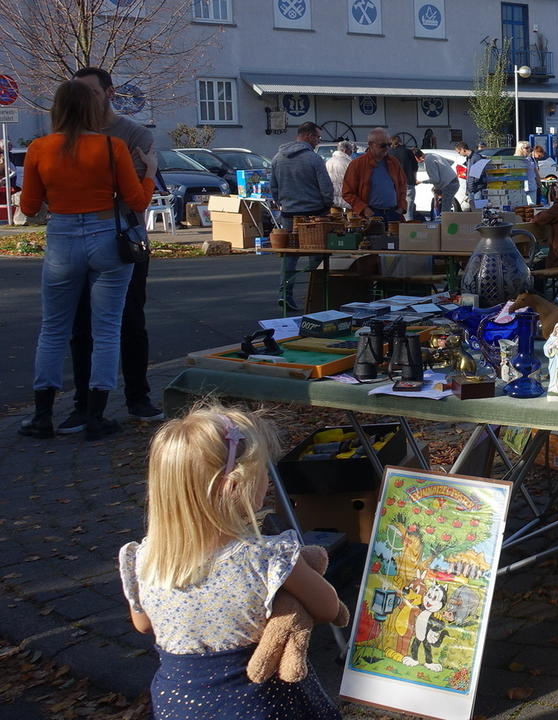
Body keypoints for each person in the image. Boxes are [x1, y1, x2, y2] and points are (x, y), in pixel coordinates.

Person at [117, 404, 342, 719]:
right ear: (235, 486)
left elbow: (143, 623)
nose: (267, 478)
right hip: (260, 705)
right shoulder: (266, 558)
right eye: (264, 470)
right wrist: (288, 596)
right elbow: (330, 608)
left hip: (179, 704)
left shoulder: (143, 557)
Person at [18, 81, 157, 440]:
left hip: (63, 235)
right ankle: (96, 415)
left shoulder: (39, 148)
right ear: (92, 109)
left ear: (57, 110)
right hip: (106, 237)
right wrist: (151, 172)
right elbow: (137, 202)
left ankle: (42, 415)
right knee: (107, 328)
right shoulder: (112, 146)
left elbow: (29, 207)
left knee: (54, 329)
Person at [59, 67, 163, 435]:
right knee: (80, 324)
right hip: (77, 239)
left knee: (131, 319)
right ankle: (83, 405)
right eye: (77, 91)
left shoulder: (133, 133)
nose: (84, 99)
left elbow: (131, 191)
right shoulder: (64, 135)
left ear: (109, 92)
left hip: (125, 239)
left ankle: (138, 397)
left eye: (90, 91)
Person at [270, 121, 332, 312]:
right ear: (309, 136)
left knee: (289, 255)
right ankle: (314, 293)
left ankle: (285, 294)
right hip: (314, 213)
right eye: (318, 138)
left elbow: (273, 187)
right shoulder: (314, 159)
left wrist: (282, 202)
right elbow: (326, 188)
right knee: (318, 254)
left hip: (289, 213)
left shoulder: (277, 157)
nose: (318, 142)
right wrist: (327, 205)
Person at [342, 128, 407, 222]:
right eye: (383, 145)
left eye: (389, 145)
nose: (387, 148)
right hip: (371, 214)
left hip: (393, 213)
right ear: (370, 145)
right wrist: (364, 209)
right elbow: (347, 192)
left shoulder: (394, 162)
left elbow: (402, 186)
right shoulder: (357, 164)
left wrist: (401, 208)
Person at [420, 149, 460, 215]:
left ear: (417, 157)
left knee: (445, 211)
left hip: (449, 184)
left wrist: (421, 181)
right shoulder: (431, 155)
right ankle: (446, 220)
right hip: (452, 181)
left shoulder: (428, 159)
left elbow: (435, 179)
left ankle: (445, 223)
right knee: (447, 206)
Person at [388, 135, 418, 212]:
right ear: (401, 142)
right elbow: (415, 167)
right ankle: (407, 223)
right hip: (408, 182)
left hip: (393, 184)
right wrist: (414, 180)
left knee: (394, 212)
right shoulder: (408, 152)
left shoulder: (388, 153)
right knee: (408, 211)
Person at [325, 140, 354, 209]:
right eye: (350, 151)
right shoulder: (349, 163)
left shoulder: (328, 161)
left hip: (332, 199)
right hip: (346, 200)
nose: (351, 153)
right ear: (345, 150)